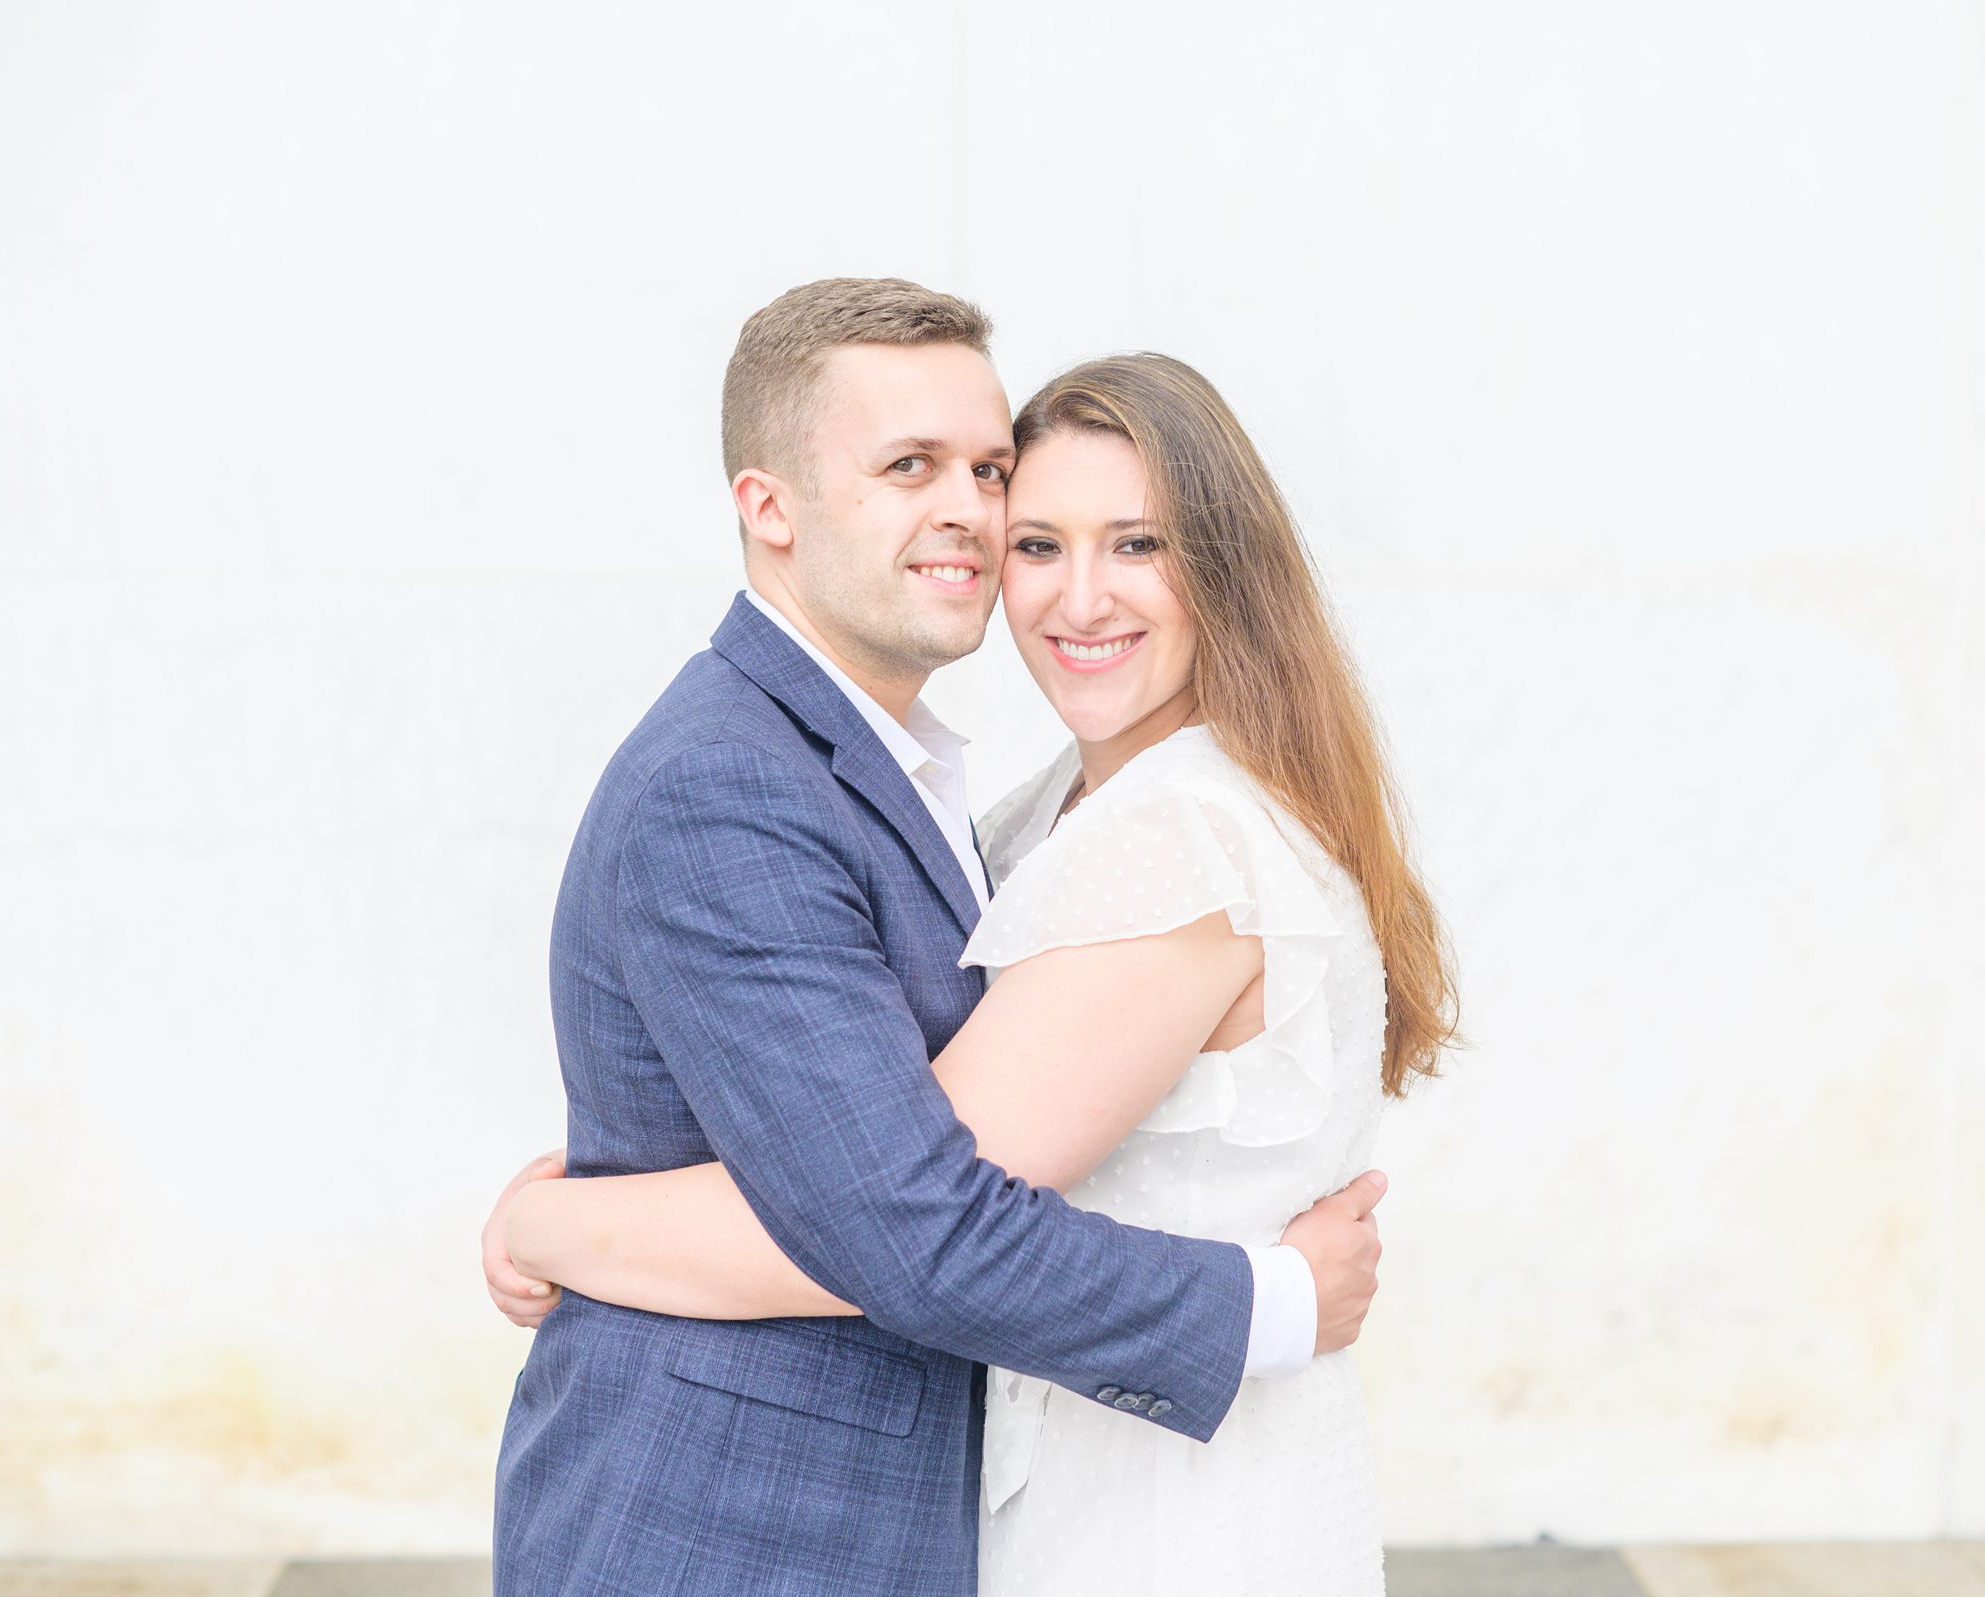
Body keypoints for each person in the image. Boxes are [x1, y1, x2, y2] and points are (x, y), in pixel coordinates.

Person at [486, 347, 1459, 1595]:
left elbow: (905, 1222)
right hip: (1084, 1467)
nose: (1079, 599)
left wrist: (553, 1222)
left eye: (1140, 545)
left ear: (1225, 564)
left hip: (1152, 1509)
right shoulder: (1047, 811)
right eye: (1039, 543)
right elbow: (879, 1187)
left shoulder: (1177, 839)